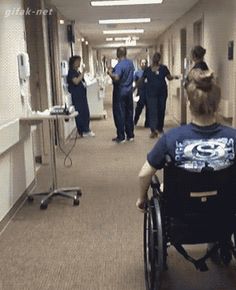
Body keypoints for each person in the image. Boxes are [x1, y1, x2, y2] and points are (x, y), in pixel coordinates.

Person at [136, 68, 236, 210]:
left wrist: (142, 198)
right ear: (217, 104)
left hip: (181, 218)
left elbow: (143, 175)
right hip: (224, 218)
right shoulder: (233, 137)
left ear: (189, 104)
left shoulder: (171, 139)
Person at [140, 52, 179, 139]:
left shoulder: (163, 68)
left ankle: (160, 128)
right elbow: (142, 80)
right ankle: (153, 130)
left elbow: (168, 77)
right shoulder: (147, 69)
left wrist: (174, 76)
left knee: (161, 110)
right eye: (155, 57)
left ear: (159, 59)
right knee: (153, 111)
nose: (156, 59)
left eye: (158, 57)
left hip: (162, 93)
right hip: (151, 94)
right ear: (152, 58)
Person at [107, 47, 135, 143]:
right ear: (126, 53)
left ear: (117, 54)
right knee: (129, 113)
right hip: (129, 92)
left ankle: (121, 136)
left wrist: (110, 73)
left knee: (119, 114)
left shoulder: (119, 66)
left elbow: (116, 78)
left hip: (120, 92)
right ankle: (130, 135)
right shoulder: (130, 63)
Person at [67, 55, 95, 137]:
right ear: (73, 62)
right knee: (80, 113)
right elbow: (76, 81)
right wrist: (83, 73)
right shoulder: (71, 72)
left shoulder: (77, 71)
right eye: (78, 61)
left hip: (82, 95)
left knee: (85, 112)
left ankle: (86, 129)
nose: (79, 63)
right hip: (77, 96)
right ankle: (83, 131)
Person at [134, 59, 149, 127]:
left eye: (145, 63)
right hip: (140, 92)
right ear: (140, 64)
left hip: (149, 93)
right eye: (142, 63)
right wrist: (133, 90)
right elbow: (135, 83)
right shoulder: (137, 73)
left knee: (148, 109)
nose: (144, 64)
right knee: (138, 108)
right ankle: (135, 121)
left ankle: (147, 123)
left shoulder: (149, 72)